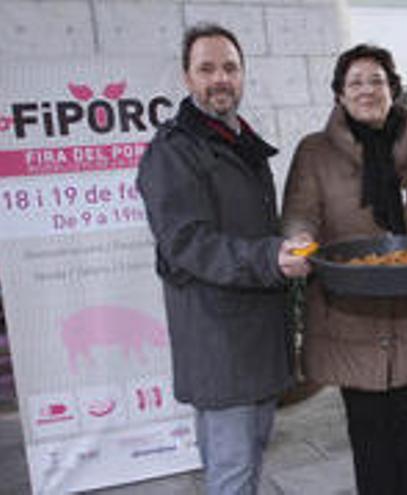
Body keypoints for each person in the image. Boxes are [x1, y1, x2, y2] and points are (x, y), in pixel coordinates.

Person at [136, 23, 305, 495]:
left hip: (258, 339)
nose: (220, 79)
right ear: (187, 78)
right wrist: (272, 256)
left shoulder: (238, 142)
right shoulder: (173, 151)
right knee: (232, 473)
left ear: (243, 74)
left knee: (247, 464)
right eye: (206, 68)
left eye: (230, 67)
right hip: (219, 345)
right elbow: (186, 243)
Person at [280, 44, 407, 495]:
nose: (366, 90)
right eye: (355, 82)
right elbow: (300, 213)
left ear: (393, 89)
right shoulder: (315, 152)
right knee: (371, 444)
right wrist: (299, 240)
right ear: (339, 94)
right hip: (351, 315)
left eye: (376, 80)